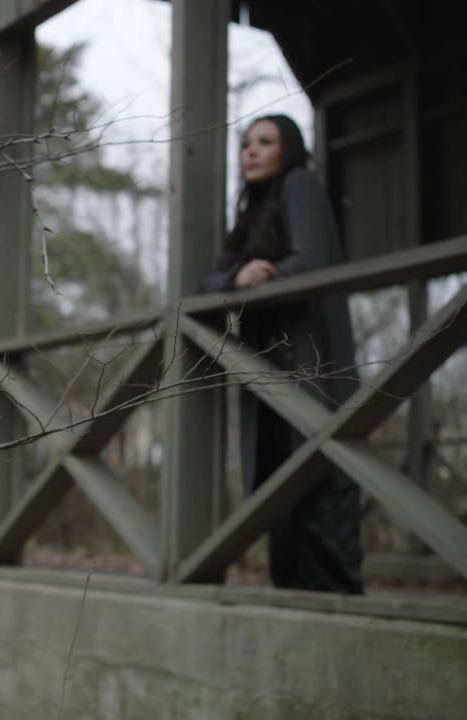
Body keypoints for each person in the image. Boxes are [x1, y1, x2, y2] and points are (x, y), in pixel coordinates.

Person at [202, 114, 365, 594]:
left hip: (312, 370)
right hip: (269, 379)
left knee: (322, 503)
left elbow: (312, 261)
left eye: (265, 142)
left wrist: (263, 277)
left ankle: (339, 618)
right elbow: (209, 281)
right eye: (247, 143)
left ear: (288, 149)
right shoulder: (252, 216)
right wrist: (237, 279)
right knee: (279, 506)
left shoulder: (300, 185)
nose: (250, 151)